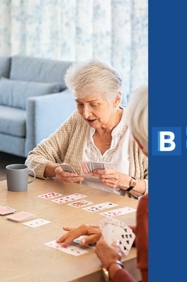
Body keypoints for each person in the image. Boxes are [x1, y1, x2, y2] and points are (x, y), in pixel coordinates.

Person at [56, 85, 149, 282]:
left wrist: (111, 265)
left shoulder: (147, 207)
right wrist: (118, 232)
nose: (86, 112)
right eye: (80, 104)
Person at [25, 59, 148, 198]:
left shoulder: (139, 125)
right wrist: (55, 170)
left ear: (116, 99)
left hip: (122, 214)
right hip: (76, 208)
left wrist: (128, 182)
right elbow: (32, 159)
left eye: (94, 104)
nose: (85, 113)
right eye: (80, 104)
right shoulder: (78, 121)